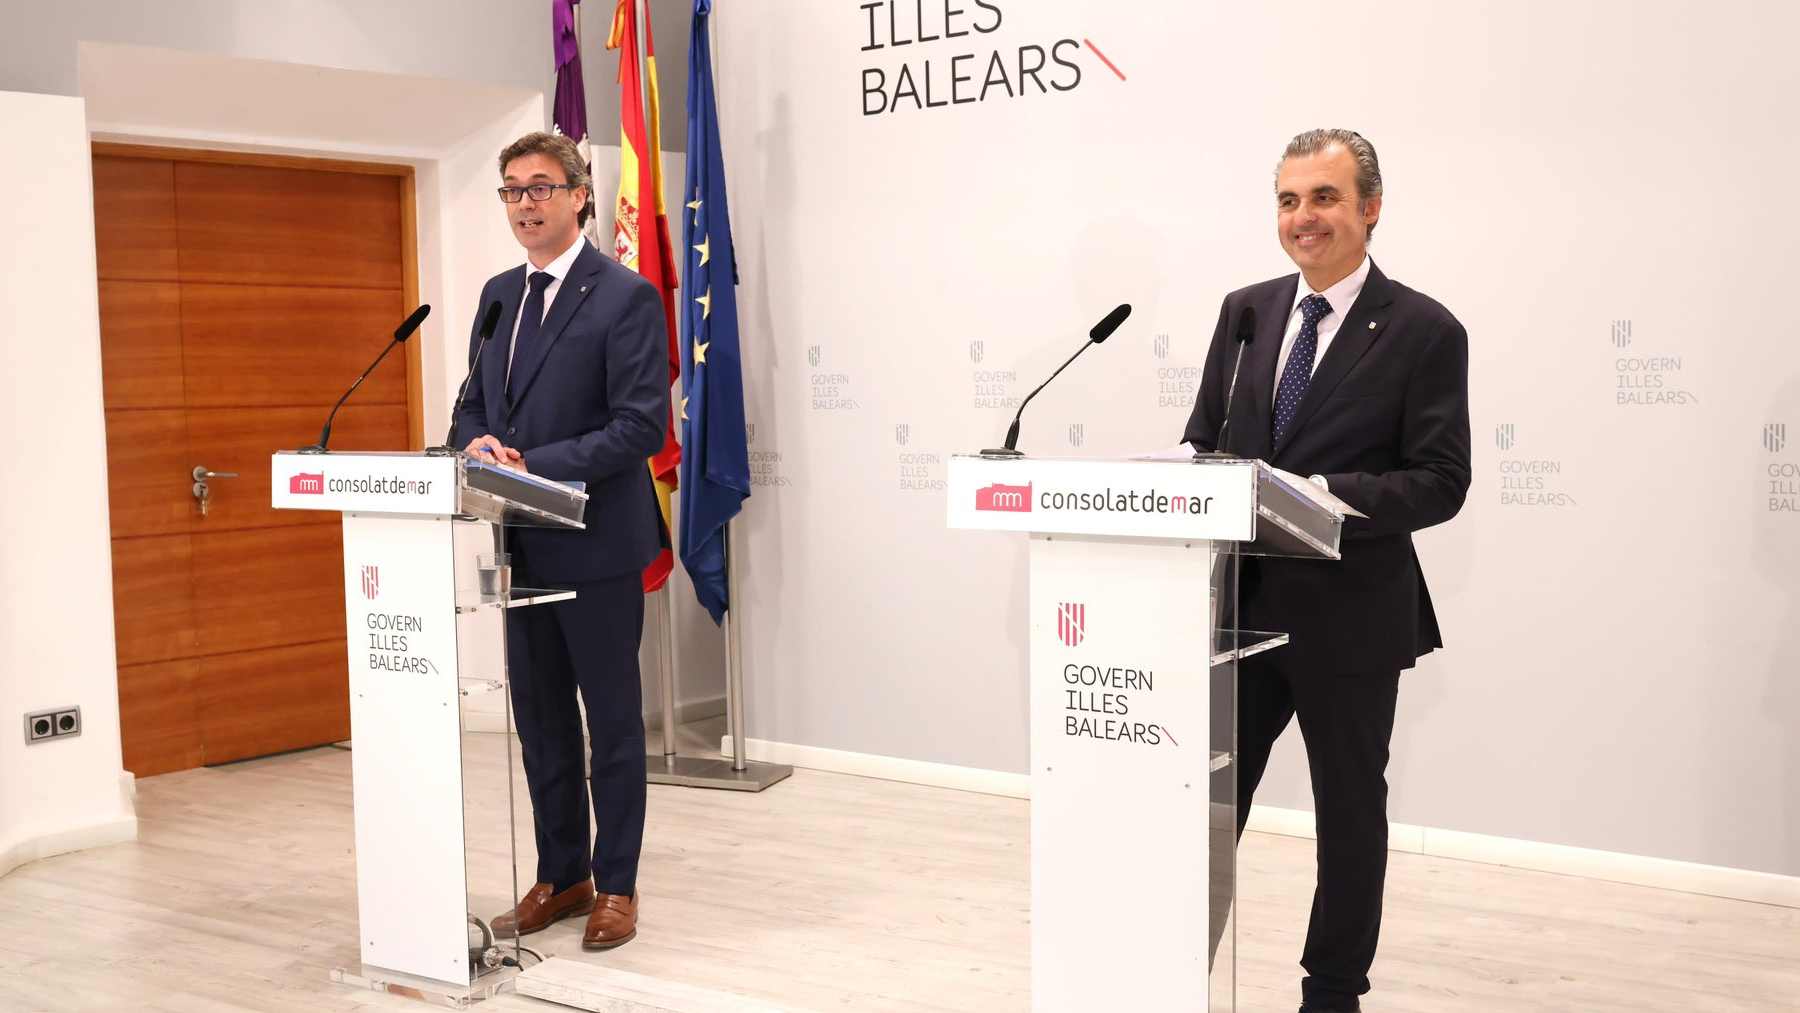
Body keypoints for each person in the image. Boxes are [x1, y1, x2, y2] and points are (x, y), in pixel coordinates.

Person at [1184, 128, 1472, 1012]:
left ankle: (1333, 991)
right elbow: (1204, 441)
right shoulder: (1245, 309)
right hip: (1243, 613)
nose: (1303, 218)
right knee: (1203, 806)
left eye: (1323, 197)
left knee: (1348, 817)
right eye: (1287, 200)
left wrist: (1317, 495)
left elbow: (1441, 480)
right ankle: (1169, 956)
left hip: (1351, 617)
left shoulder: (1424, 328)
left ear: (1369, 209)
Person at [453, 131, 669, 950]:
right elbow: (474, 402)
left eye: (540, 187)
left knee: (608, 722)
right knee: (540, 721)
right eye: (511, 191)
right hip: (521, 547)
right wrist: (476, 445)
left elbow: (639, 426)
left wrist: (526, 461)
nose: (525, 204)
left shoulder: (623, 295)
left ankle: (617, 883)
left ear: (580, 194)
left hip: (597, 544)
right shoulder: (499, 293)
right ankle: (563, 872)